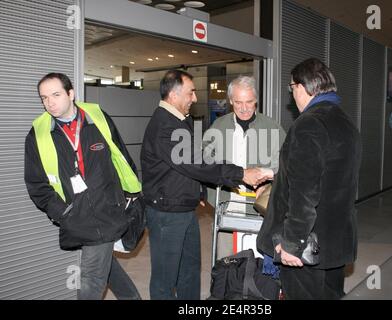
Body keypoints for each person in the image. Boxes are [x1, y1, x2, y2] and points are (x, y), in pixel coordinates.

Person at [140, 69, 270, 300]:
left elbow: (189, 164)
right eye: (191, 92)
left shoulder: (179, 120)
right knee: (165, 278)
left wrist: (197, 190)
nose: (195, 98)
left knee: (189, 271)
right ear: (174, 94)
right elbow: (196, 163)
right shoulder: (164, 126)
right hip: (167, 213)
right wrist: (241, 173)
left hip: (183, 207)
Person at [24, 73, 142, 300]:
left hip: (108, 209)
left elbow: (121, 157)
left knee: (90, 279)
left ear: (71, 93)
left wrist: (129, 196)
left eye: (56, 95)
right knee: (104, 266)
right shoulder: (38, 135)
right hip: (76, 214)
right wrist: (62, 212)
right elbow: (36, 183)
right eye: (44, 98)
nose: (50, 102)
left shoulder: (97, 118)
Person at [257, 58, 362, 299]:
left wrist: (293, 243)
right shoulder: (346, 123)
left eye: (291, 88)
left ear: (302, 87)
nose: (292, 94)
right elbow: (329, 175)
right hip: (335, 242)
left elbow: (304, 193)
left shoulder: (309, 124)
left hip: (308, 247)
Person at [203, 75, 286, 258]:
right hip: (227, 201)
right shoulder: (218, 126)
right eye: (238, 102)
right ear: (231, 101)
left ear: (256, 100)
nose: (244, 108)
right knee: (226, 259)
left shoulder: (272, 128)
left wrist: (268, 184)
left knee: (257, 260)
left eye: (249, 102)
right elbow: (204, 162)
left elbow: (285, 165)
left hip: (260, 206)